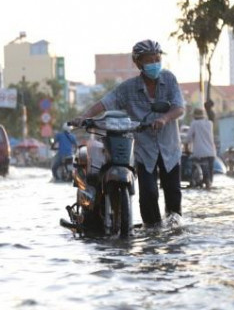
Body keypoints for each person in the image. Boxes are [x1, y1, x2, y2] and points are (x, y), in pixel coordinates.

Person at [72, 39, 185, 228]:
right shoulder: (129, 87)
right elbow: (106, 102)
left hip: (169, 148)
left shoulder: (169, 79)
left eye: (158, 58)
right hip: (145, 149)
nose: (155, 63)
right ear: (139, 63)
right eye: (150, 60)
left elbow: (179, 107)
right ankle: (152, 231)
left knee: (173, 193)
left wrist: (164, 119)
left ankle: (174, 231)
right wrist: (84, 116)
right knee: (148, 193)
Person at [185, 107, 217, 188]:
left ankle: (193, 181)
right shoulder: (210, 123)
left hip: (200, 153)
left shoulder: (194, 123)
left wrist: (187, 149)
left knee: (194, 168)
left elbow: (188, 139)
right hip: (211, 153)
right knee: (209, 177)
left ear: (194, 116)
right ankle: (208, 183)